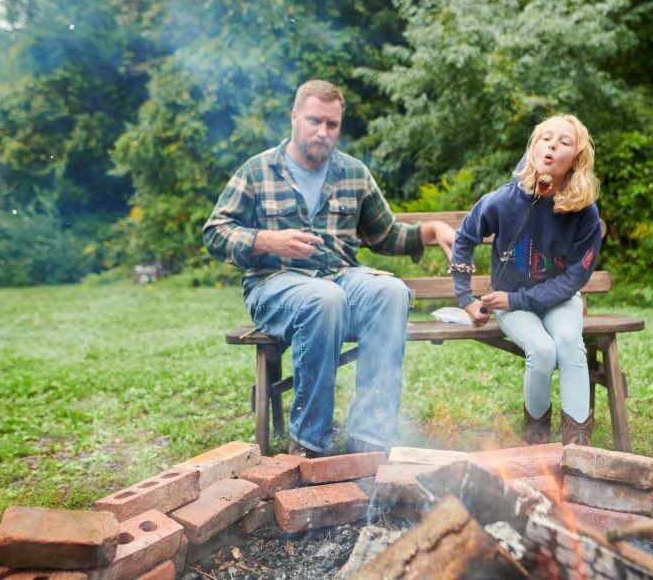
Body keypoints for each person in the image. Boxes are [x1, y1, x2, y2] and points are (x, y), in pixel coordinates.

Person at [203, 80, 455, 457]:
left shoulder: (353, 173)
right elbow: (215, 233)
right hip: (274, 285)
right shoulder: (258, 171)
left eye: (332, 124)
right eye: (314, 121)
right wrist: (267, 240)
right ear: (294, 117)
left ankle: (370, 443)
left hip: (338, 279)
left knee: (390, 292)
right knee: (324, 298)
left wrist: (431, 230)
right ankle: (309, 446)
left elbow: (385, 235)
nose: (323, 131)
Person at [450, 114, 602, 446]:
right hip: (513, 306)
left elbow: (574, 278)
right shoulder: (503, 201)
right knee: (542, 350)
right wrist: (465, 298)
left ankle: (578, 446)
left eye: (564, 142)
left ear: (576, 159)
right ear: (533, 147)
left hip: (557, 301)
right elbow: (464, 239)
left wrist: (516, 299)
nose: (552, 145)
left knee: (569, 344)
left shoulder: (585, 212)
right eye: (546, 138)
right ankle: (536, 442)